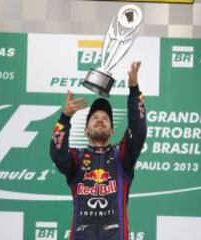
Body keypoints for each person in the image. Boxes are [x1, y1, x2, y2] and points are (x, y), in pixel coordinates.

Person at [50, 61, 147, 240]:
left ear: (111, 131)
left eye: (105, 118)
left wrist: (134, 91)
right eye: (94, 117)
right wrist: (65, 118)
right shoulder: (76, 158)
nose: (100, 119)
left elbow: (139, 132)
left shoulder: (122, 156)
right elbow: (57, 154)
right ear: (86, 130)